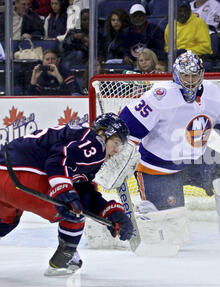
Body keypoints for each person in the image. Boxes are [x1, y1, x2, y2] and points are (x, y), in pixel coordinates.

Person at [118, 50, 220, 247]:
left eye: (194, 75)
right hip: (158, 169)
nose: (190, 81)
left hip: (197, 160)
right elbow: (127, 128)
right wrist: (120, 153)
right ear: (175, 75)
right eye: (185, 76)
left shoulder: (213, 93)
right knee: (174, 239)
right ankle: (146, 217)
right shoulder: (159, 96)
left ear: (202, 74)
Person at [0, 113, 134, 276]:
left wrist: (112, 213)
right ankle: (65, 257)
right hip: (24, 176)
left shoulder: (79, 140)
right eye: (116, 143)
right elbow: (59, 159)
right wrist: (63, 190)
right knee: (75, 207)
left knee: (6, 221)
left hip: (5, 178)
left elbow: (85, 189)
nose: (116, 151)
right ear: (102, 133)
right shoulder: (96, 143)